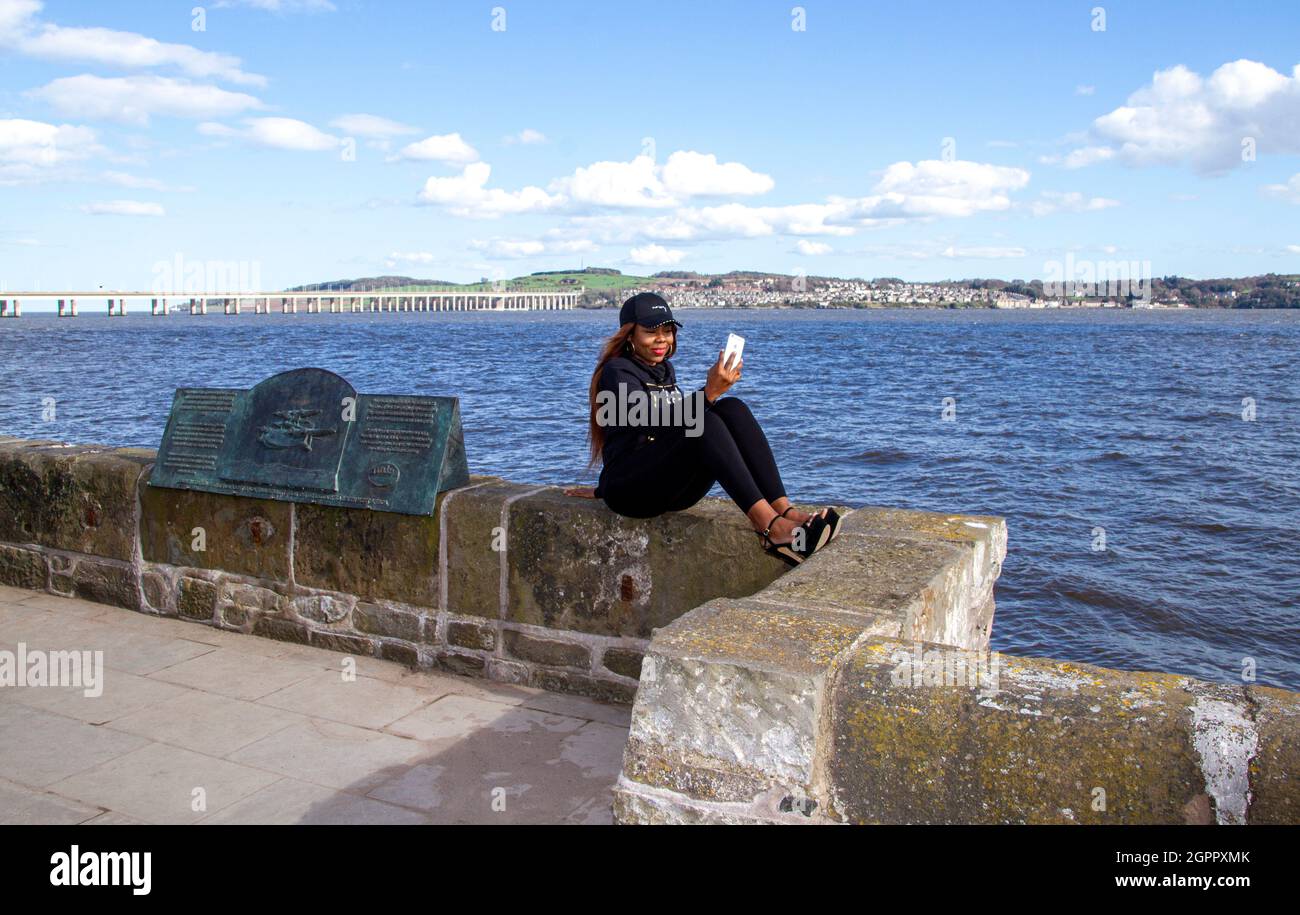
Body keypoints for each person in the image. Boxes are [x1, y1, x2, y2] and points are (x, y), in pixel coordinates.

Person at [565, 291, 839, 565]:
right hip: (633, 492)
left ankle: (783, 510)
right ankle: (770, 528)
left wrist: (712, 396)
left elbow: (670, 427)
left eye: (668, 330)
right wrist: (708, 392)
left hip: (665, 483)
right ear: (630, 335)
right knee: (702, 420)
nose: (662, 339)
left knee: (732, 407)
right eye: (651, 331)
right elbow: (648, 423)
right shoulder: (617, 372)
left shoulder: (663, 370)